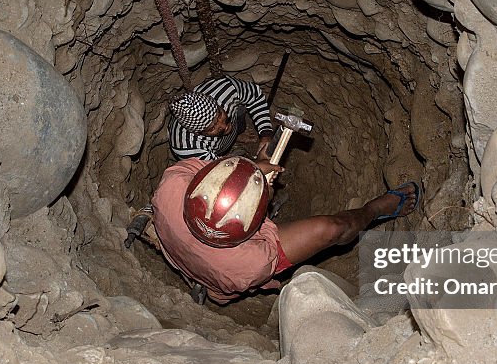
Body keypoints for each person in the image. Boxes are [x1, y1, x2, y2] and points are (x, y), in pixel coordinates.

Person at [150, 156, 420, 304]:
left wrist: (252, 167)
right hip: (230, 270)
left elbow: (211, 169)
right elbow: (266, 236)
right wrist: (265, 193)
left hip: (191, 249)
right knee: (332, 228)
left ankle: (196, 273)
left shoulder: (171, 184)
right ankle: (374, 210)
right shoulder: (251, 262)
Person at [168, 76, 275, 161]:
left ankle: (237, 133)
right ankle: (226, 146)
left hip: (233, 114)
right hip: (212, 149)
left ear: (215, 103)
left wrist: (266, 133)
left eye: (219, 114)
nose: (223, 126)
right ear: (197, 133)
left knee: (237, 114)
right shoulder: (188, 148)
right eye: (212, 128)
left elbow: (255, 97)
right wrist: (258, 164)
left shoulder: (227, 89)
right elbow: (216, 171)